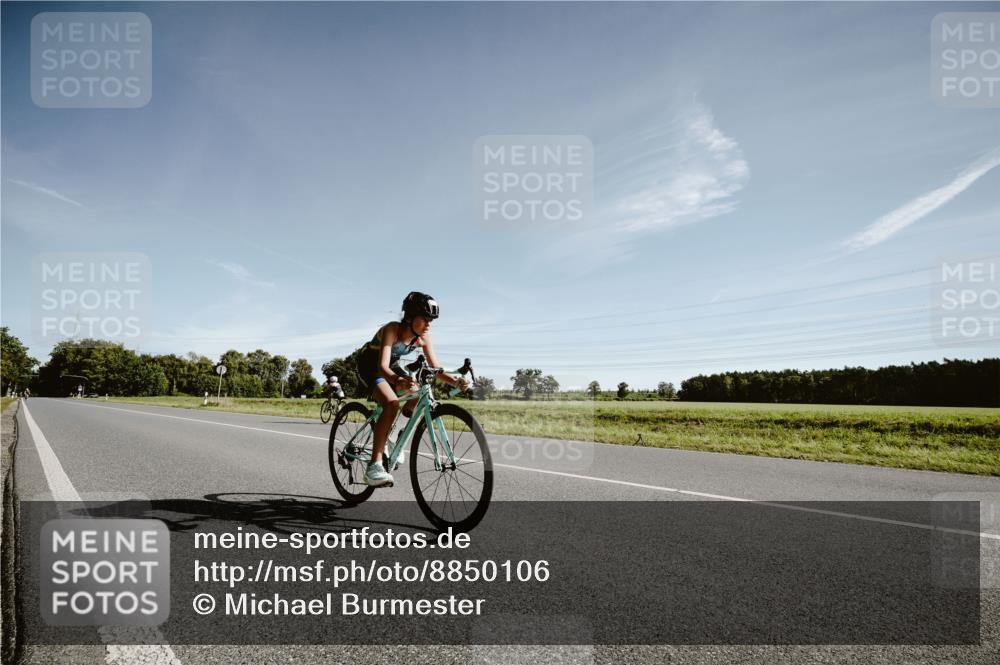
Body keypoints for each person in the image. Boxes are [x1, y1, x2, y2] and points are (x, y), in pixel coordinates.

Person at [356, 292, 469, 487]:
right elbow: (382, 367)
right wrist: (398, 380)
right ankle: (374, 466)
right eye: (425, 319)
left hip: (391, 366)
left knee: (416, 391)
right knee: (391, 403)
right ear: (409, 317)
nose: (428, 324)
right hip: (369, 365)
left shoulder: (423, 339)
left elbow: (436, 370)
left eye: (431, 320)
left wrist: (456, 381)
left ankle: (394, 437)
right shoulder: (393, 329)